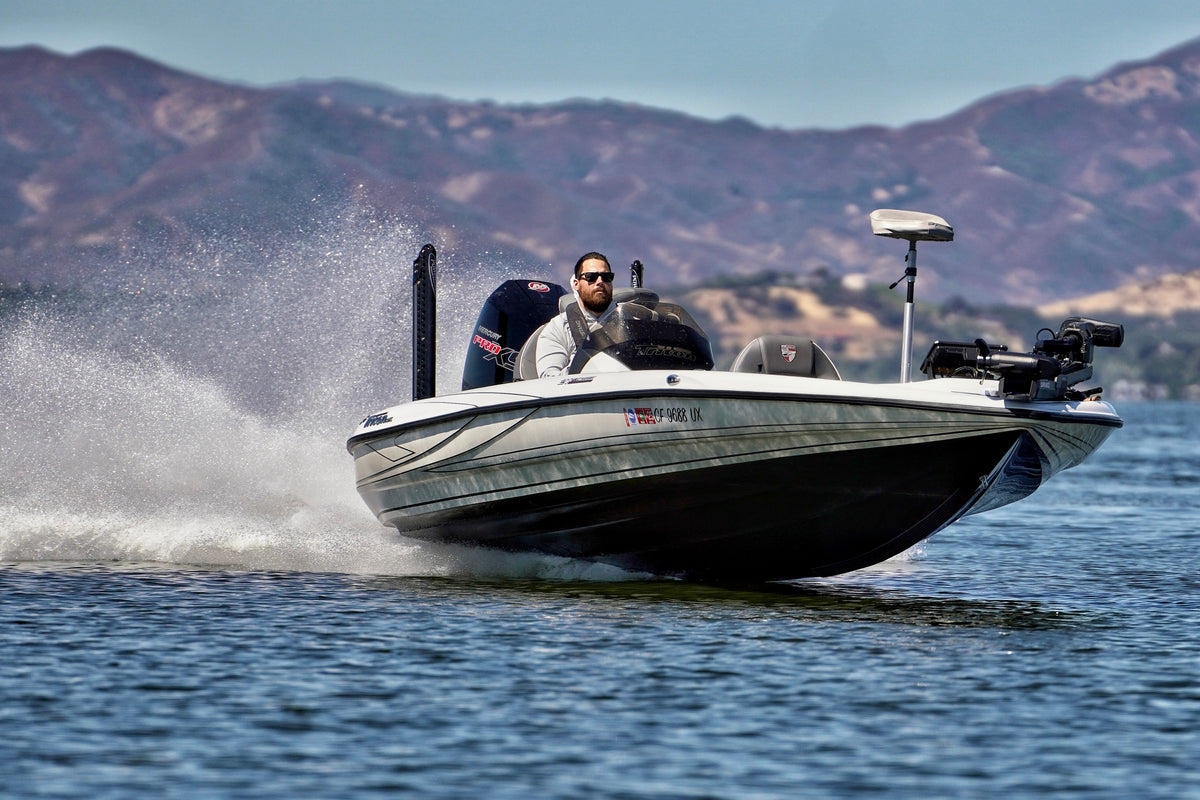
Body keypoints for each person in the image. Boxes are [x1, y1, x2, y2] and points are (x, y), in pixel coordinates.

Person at [535, 251, 617, 378]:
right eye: (591, 277)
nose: (600, 281)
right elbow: (549, 379)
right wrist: (589, 366)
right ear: (576, 284)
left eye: (606, 277)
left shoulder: (630, 319)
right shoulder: (558, 327)